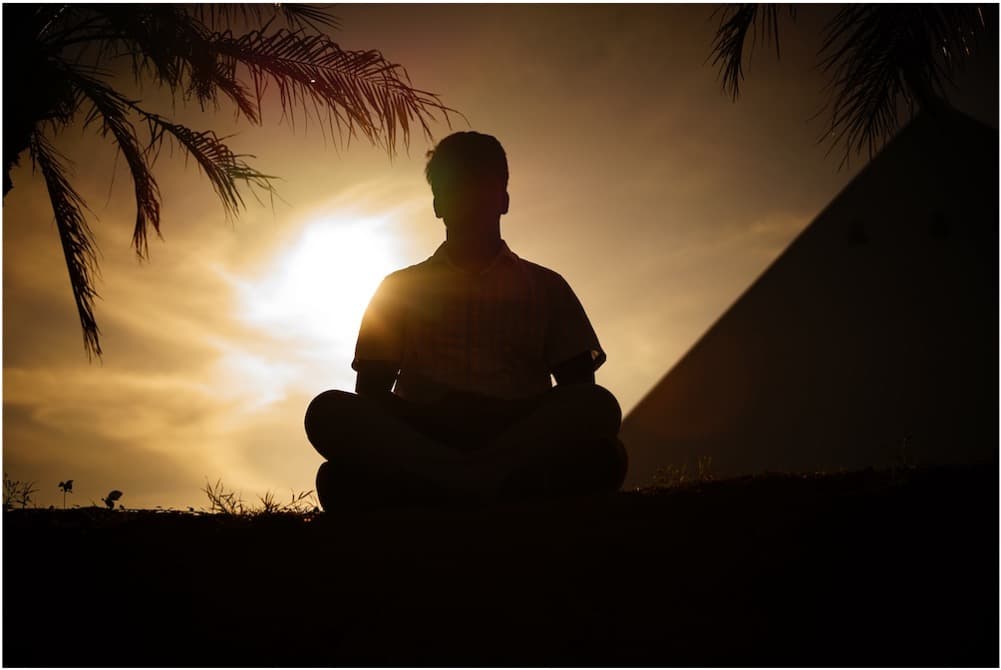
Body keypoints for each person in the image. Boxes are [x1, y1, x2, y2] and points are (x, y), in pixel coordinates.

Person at [304, 131, 626, 509]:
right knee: (326, 411)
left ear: (503, 200)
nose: (470, 198)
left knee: (600, 408)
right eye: (457, 186)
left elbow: (580, 392)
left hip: (517, 427)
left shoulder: (547, 287)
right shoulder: (397, 288)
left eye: (481, 185)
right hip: (425, 429)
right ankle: (481, 480)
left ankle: (450, 482)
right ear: (438, 203)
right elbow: (370, 397)